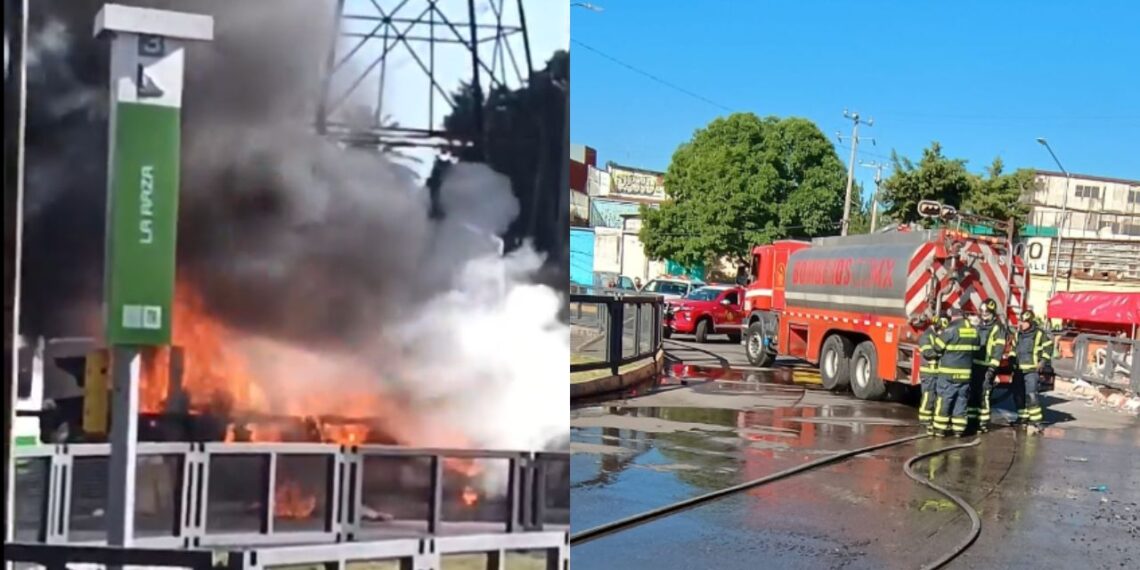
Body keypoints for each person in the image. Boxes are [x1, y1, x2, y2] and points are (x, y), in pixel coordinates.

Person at [931, 307, 980, 437]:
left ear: (953, 317)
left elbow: (937, 347)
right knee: (961, 401)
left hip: (948, 374)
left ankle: (940, 429)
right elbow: (976, 348)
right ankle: (959, 429)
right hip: (965, 374)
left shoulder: (950, 330)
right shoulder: (973, 331)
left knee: (945, 399)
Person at [1009, 308, 1054, 430]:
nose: (1021, 324)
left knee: (1031, 396)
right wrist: (1011, 359)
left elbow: (1049, 348)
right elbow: (1013, 348)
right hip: (1018, 370)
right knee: (1018, 395)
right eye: (1021, 321)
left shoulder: (1039, 334)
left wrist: (1043, 362)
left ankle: (1036, 421)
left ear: (1030, 322)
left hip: (1031, 371)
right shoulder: (1018, 334)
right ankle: (1022, 417)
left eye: (1024, 322)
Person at [968, 299, 1007, 433]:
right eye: (982, 311)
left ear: (992, 312)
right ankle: (972, 420)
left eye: (987, 312)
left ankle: (982, 423)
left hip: (987, 366)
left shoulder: (998, 328)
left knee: (984, 395)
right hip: (976, 365)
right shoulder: (980, 325)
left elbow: (998, 350)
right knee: (973, 393)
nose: (984, 314)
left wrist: (992, 369)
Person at [917, 316, 945, 428]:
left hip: (935, 372)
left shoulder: (936, 335)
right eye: (942, 329)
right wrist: (941, 353)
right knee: (928, 396)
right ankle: (924, 419)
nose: (943, 331)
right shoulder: (926, 336)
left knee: (934, 396)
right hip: (928, 372)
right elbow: (928, 353)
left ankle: (930, 418)